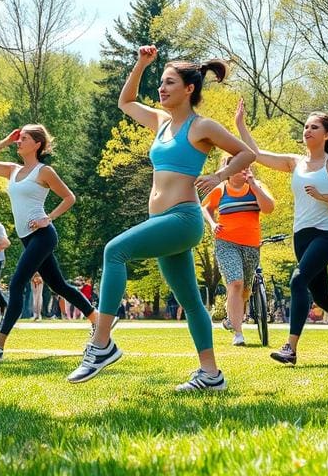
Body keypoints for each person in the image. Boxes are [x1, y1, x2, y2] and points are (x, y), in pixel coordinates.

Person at [67, 46, 255, 391]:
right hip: (164, 222)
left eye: (169, 83)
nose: (162, 89)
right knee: (191, 302)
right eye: (161, 83)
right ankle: (211, 375)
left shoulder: (202, 126)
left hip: (183, 219)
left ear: (189, 89)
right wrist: (140, 64)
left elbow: (247, 152)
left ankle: (101, 344)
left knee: (115, 251)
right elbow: (126, 102)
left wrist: (220, 176)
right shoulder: (160, 121)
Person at [236, 99, 328, 366]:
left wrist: (324, 196)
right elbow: (256, 154)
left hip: (327, 234)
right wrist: (240, 125)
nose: (307, 131)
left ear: (327, 134)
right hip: (301, 236)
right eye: (306, 126)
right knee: (321, 295)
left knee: (297, 281)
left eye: (314, 127)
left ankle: (290, 349)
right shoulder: (296, 163)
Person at [0, 124, 97, 362]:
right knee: (58, 285)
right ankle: (98, 321)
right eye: (19, 138)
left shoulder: (44, 171)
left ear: (37, 144)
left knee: (17, 283)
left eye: (24, 138)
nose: (19, 141)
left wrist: (48, 218)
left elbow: (69, 197)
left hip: (43, 235)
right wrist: (5, 141)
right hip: (28, 238)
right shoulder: (12, 170)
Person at [202, 151, 275, 346]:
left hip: (251, 244)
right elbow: (206, 208)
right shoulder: (220, 189)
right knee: (235, 282)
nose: (244, 170)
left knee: (244, 290)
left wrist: (253, 186)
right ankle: (238, 333)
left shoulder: (257, 186)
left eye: (246, 166)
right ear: (228, 170)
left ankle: (230, 317)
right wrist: (211, 224)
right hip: (226, 242)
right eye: (239, 166)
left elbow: (268, 208)